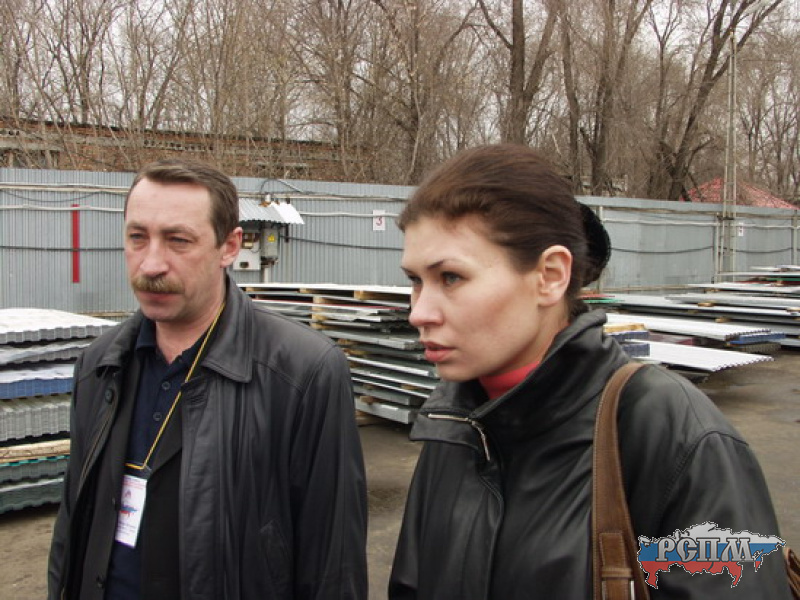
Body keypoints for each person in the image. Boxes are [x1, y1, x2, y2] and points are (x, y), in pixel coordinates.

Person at [389, 144, 792, 599]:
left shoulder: (672, 433)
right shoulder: (452, 423)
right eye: (415, 280)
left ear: (550, 276)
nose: (419, 312)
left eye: (450, 278)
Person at [48, 159, 368, 600]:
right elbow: (72, 521)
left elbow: (333, 564)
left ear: (229, 246)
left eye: (178, 240)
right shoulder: (99, 365)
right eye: (137, 237)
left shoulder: (303, 373)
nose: (151, 264)